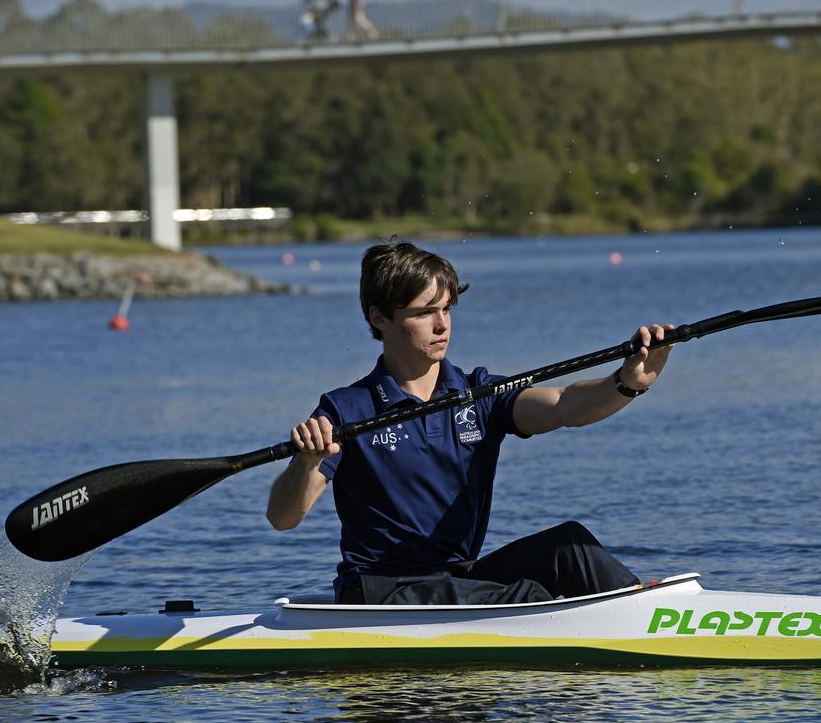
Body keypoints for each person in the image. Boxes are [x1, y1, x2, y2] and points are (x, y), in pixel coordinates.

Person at [268, 240, 673, 605]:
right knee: (527, 597)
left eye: (446, 308)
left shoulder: (478, 393)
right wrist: (305, 464)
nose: (442, 324)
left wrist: (625, 383)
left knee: (571, 545)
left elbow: (564, 405)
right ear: (380, 318)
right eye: (425, 312)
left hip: (458, 578)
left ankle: (645, 613)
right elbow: (283, 517)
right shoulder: (346, 410)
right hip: (382, 591)